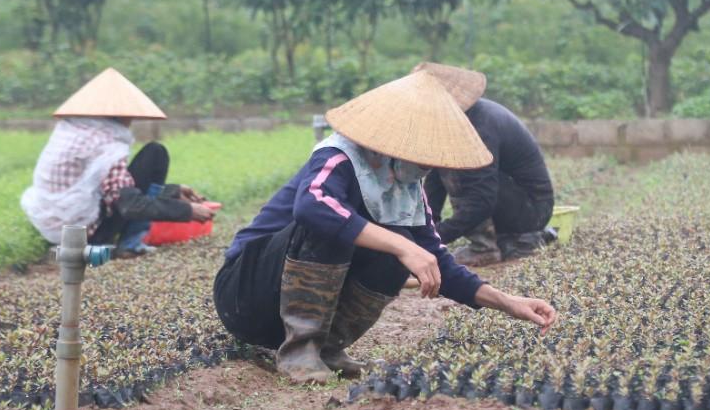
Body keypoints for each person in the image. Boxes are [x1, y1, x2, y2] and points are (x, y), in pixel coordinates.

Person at [213, 71, 558, 384]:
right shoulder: (338, 156)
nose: (428, 168)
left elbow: (436, 258)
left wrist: (507, 302)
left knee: (400, 246)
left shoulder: (408, 191)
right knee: (336, 225)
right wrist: (402, 246)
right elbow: (312, 206)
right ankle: (300, 349)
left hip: (284, 314)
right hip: (247, 294)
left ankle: (327, 347)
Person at [20, 68, 216, 257]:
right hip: (89, 234)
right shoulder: (106, 146)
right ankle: (131, 244)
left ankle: (130, 241)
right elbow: (130, 205)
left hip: (62, 228)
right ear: (120, 115)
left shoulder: (72, 133)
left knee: (152, 155)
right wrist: (188, 211)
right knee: (156, 153)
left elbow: (107, 189)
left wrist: (172, 192)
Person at [414, 62, 556, 266]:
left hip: (531, 210)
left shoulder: (480, 126)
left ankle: (484, 248)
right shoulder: (455, 124)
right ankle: (486, 242)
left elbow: (481, 200)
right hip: (508, 202)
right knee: (451, 165)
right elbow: (434, 184)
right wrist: (426, 230)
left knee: (460, 170)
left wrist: (437, 237)